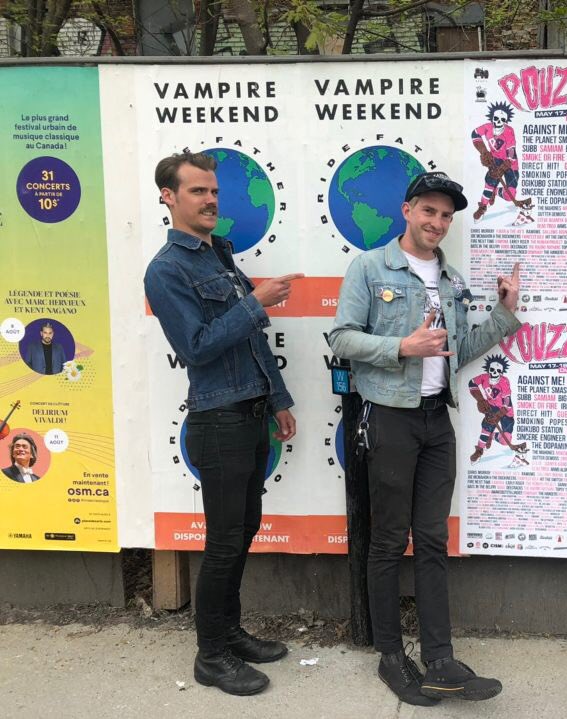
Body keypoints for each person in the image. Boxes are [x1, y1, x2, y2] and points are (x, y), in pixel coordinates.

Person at [329, 171, 521, 706]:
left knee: (432, 539)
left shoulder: (452, 280)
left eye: (446, 216)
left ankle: (440, 658)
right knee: (389, 540)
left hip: (439, 421)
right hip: (389, 417)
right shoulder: (370, 267)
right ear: (408, 210)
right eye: (429, 211)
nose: (437, 222)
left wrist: (504, 313)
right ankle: (392, 658)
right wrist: (401, 348)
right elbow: (341, 335)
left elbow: (459, 349)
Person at [144, 152, 302, 697]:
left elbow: (252, 343)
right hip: (218, 420)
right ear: (168, 196)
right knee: (223, 541)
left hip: (252, 412)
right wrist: (255, 302)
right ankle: (210, 656)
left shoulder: (220, 255)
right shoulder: (166, 269)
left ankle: (229, 633)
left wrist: (278, 398)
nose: (210, 200)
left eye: (213, 191)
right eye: (196, 192)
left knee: (242, 533)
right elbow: (196, 347)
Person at [467, 353, 527, 463]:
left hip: (506, 411)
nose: (495, 373)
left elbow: (507, 403)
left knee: (505, 441)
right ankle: (479, 450)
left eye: (498, 371)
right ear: (488, 369)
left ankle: (491, 436)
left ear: (502, 372)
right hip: (492, 407)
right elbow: (471, 383)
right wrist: (480, 400)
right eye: (492, 369)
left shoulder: (504, 382)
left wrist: (498, 415)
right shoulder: (483, 378)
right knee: (487, 425)